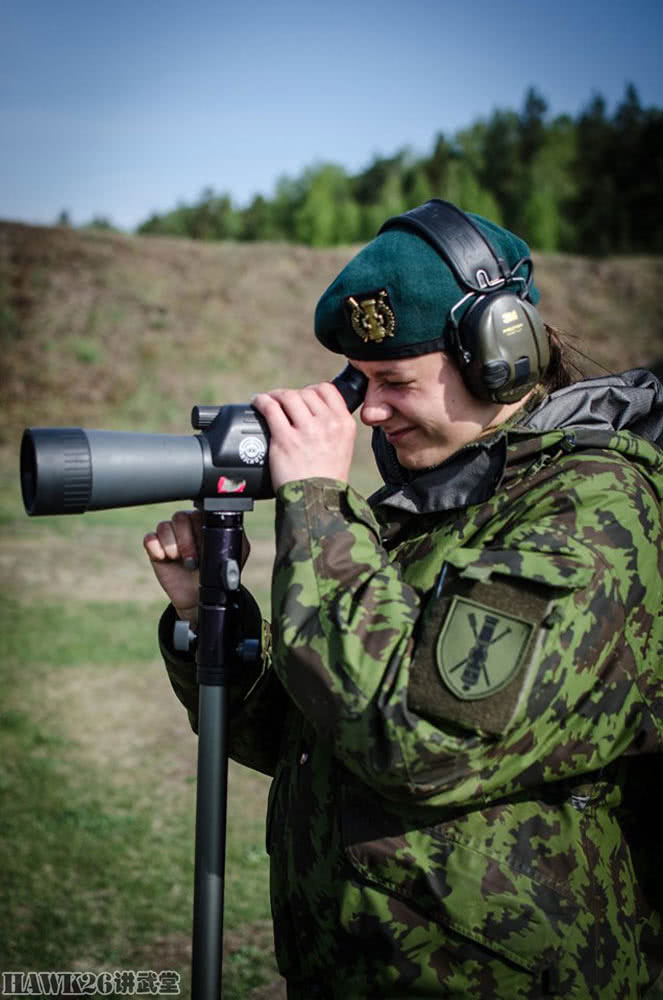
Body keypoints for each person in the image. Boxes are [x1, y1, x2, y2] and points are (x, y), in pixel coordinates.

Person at [144, 200, 663, 999]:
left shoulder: (590, 508)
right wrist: (210, 618)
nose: (371, 414)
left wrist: (317, 501)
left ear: (503, 358)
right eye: (361, 385)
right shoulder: (433, 501)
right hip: (361, 965)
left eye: (394, 382)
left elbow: (418, 741)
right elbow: (321, 732)